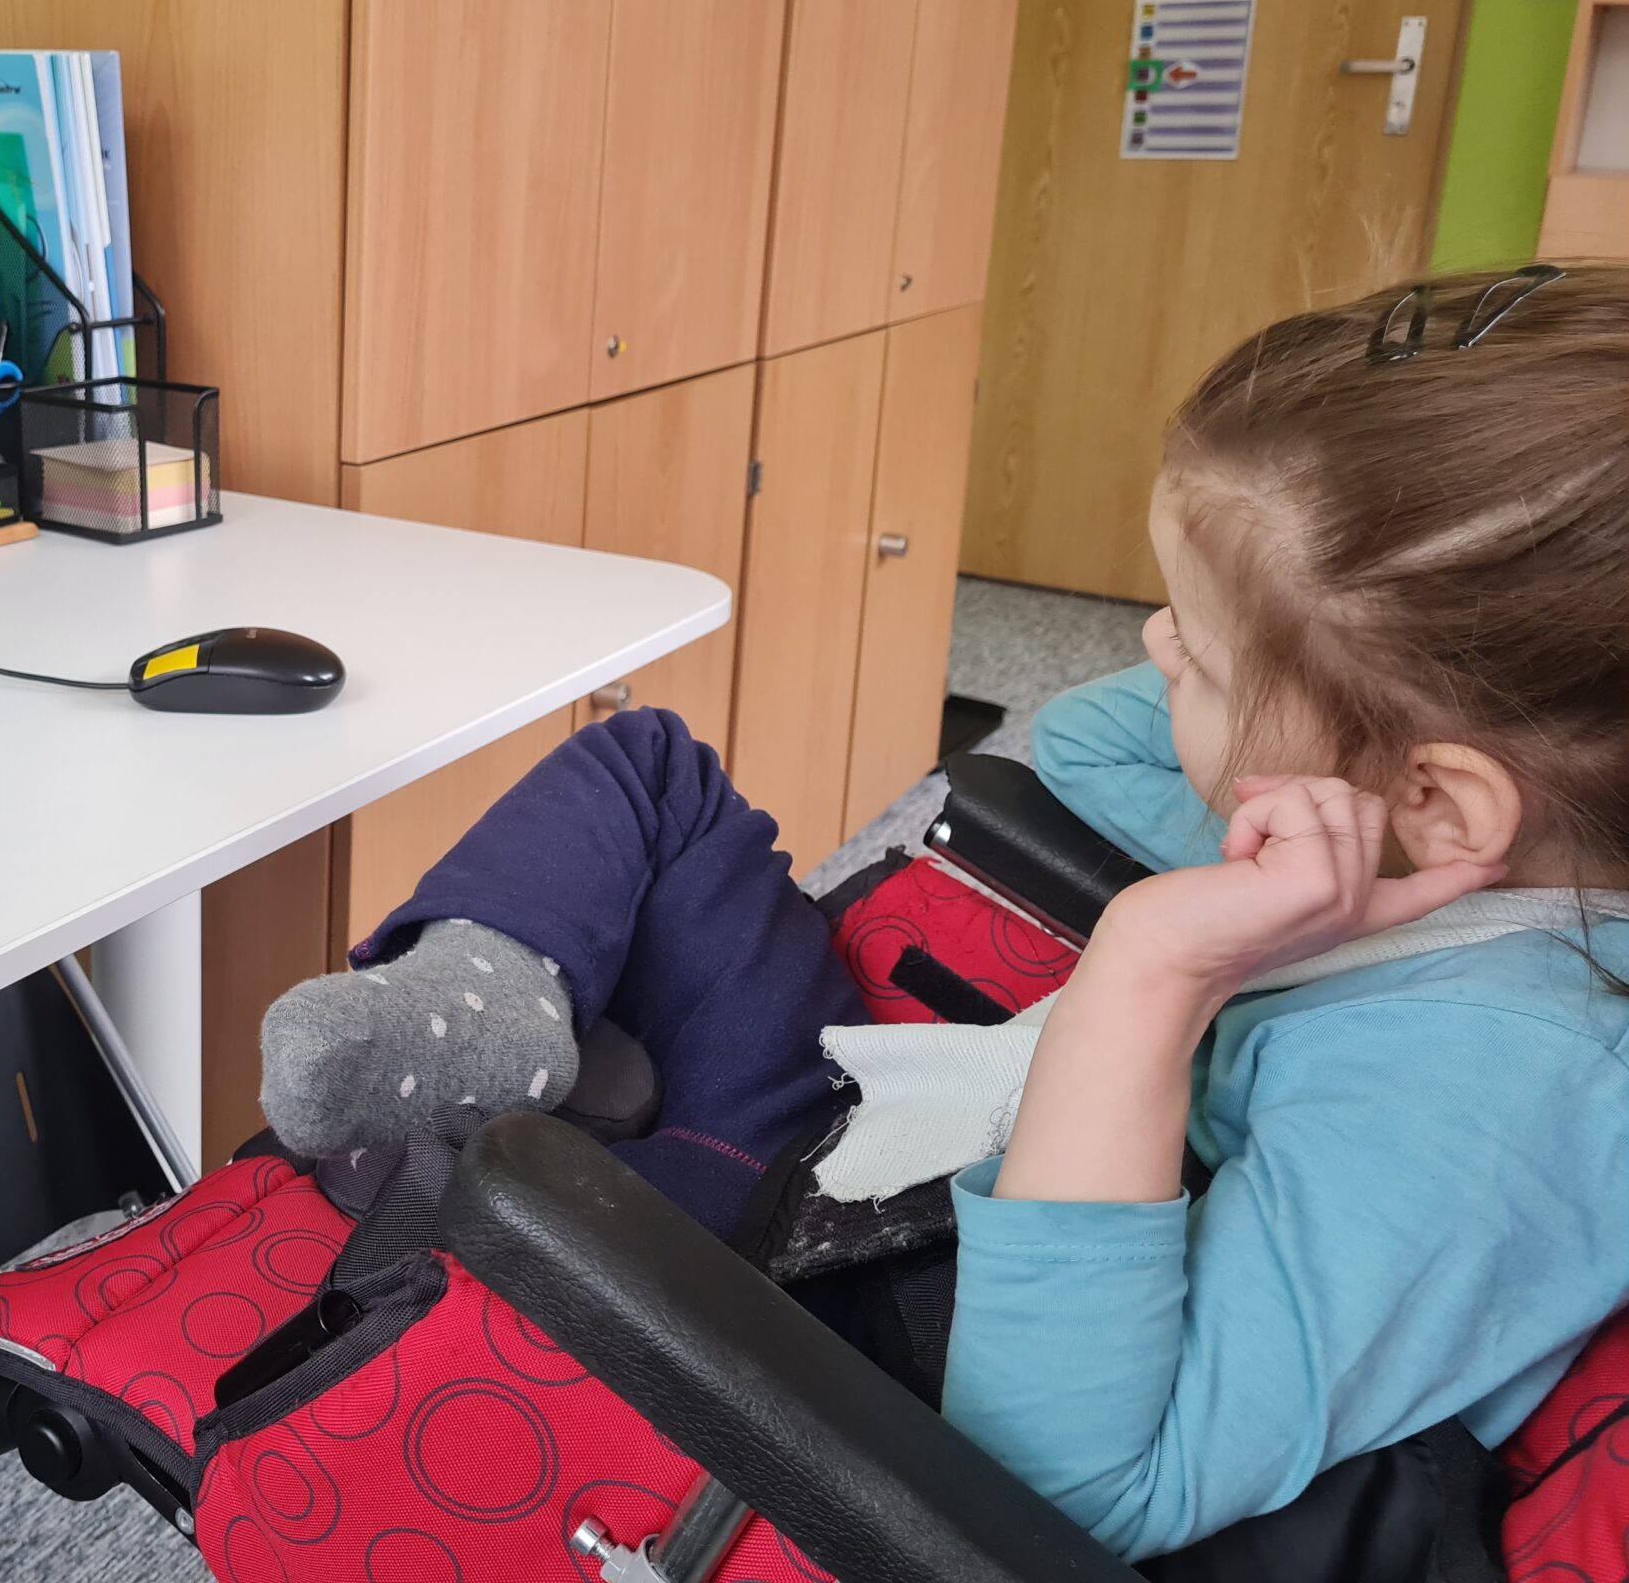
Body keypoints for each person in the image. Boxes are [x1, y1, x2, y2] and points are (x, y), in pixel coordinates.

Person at [258, 266, 1629, 1561]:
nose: (1151, 646)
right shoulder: (1461, 865)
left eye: (1198, 654)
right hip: (925, 1172)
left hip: (848, 1342)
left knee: (527, 1166)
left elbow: (1049, 1493)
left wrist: (1147, 971)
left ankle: (527, 1139)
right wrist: (1273, 703)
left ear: (1441, 795)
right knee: (651, 765)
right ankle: (501, 998)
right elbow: (1089, 750)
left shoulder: (1497, 1102)